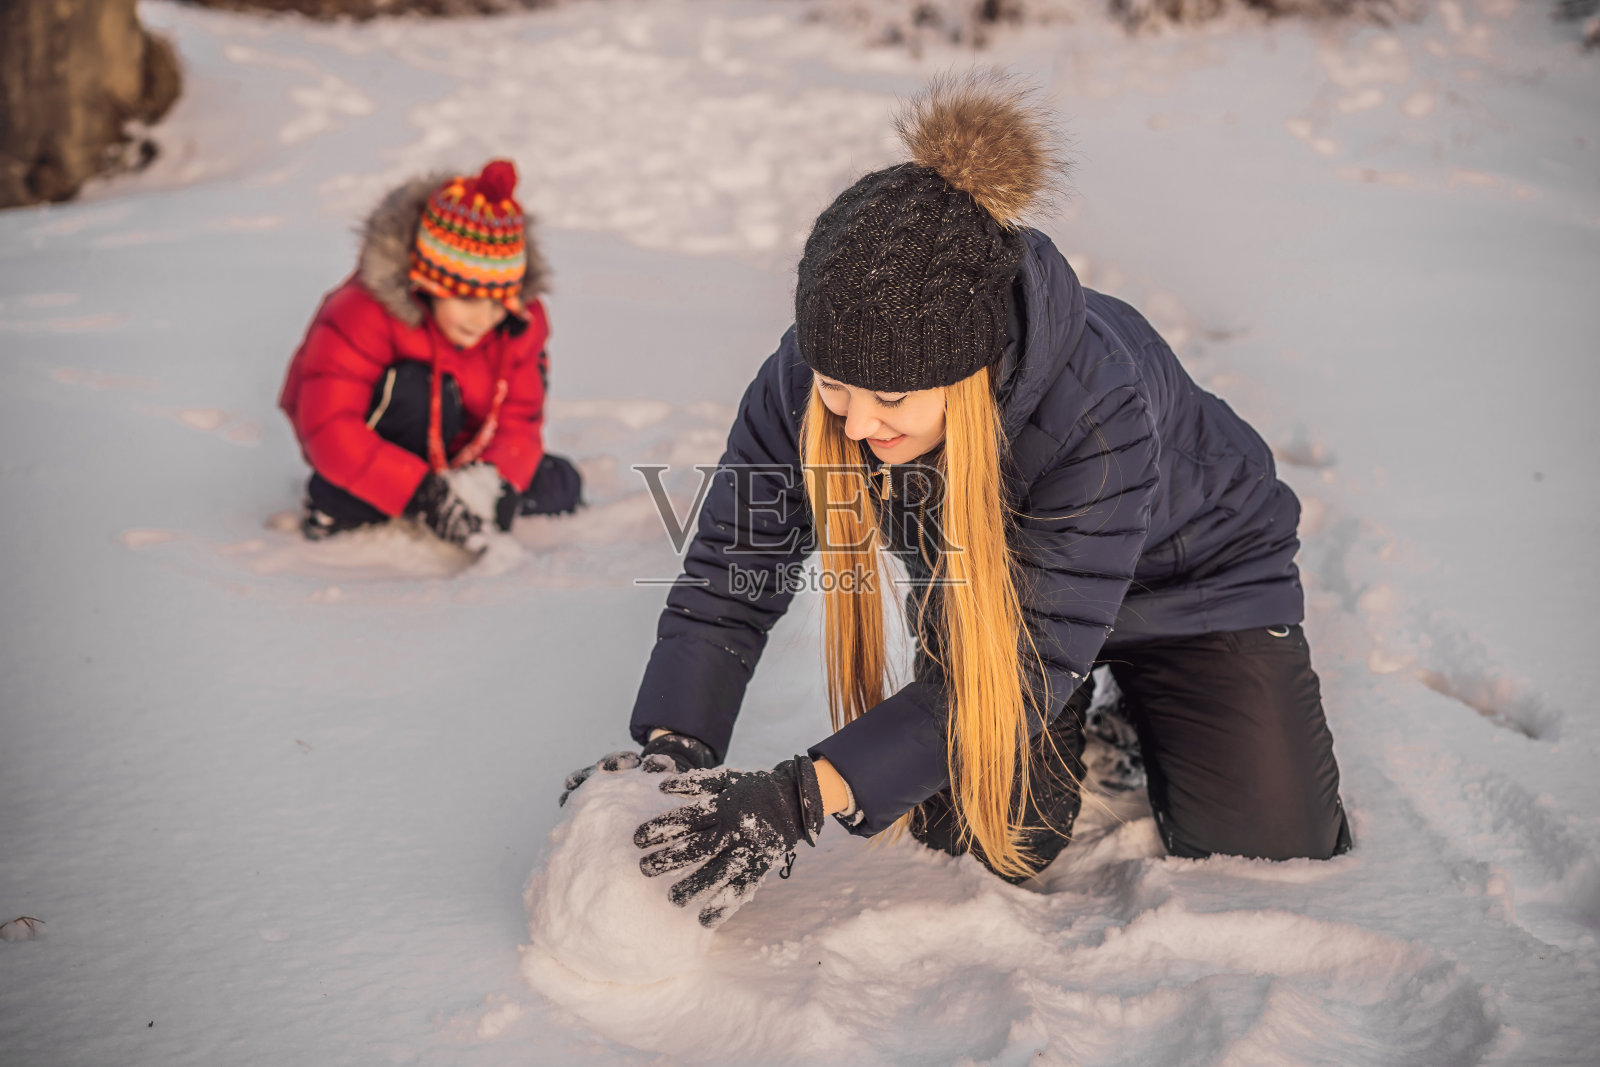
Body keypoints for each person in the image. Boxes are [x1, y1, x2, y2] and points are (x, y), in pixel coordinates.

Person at [563, 74, 1351, 928]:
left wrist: (796, 798)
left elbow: (1009, 680)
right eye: (837, 385)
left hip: (1196, 581)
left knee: (1272, 855)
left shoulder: (1095, 409)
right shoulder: (809, 382)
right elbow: (730, 573)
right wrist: (674, 747)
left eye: (893, 399)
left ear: (969, 373)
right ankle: (1074, 714)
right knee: (981, 835)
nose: (858, 423)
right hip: (1002, 590)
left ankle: (1147, 709)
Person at [279, 159, 583, 553]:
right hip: (382, 448)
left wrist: (497, 485)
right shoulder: (363, 312)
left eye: (497, 304)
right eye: (467, 298)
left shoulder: (516, 325)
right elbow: (329, 424)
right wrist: (424, 495)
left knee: (560, 485)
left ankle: (464, 500)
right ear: (426, 282)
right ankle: (340, 505)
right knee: (417, 388)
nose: (482, 319)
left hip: (460, 452)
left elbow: (519, 419)